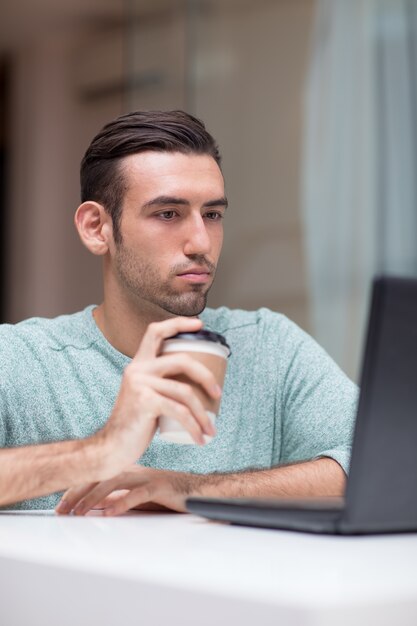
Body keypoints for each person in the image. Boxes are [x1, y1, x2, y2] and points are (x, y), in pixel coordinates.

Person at [0, 111, 357, 515]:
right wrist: (102, 449)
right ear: (96, 228)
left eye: (212, 214)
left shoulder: (270, 346)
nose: (200, 242)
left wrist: (191, 489)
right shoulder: (19, 360)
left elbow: (381, 465)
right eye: (168, 214)